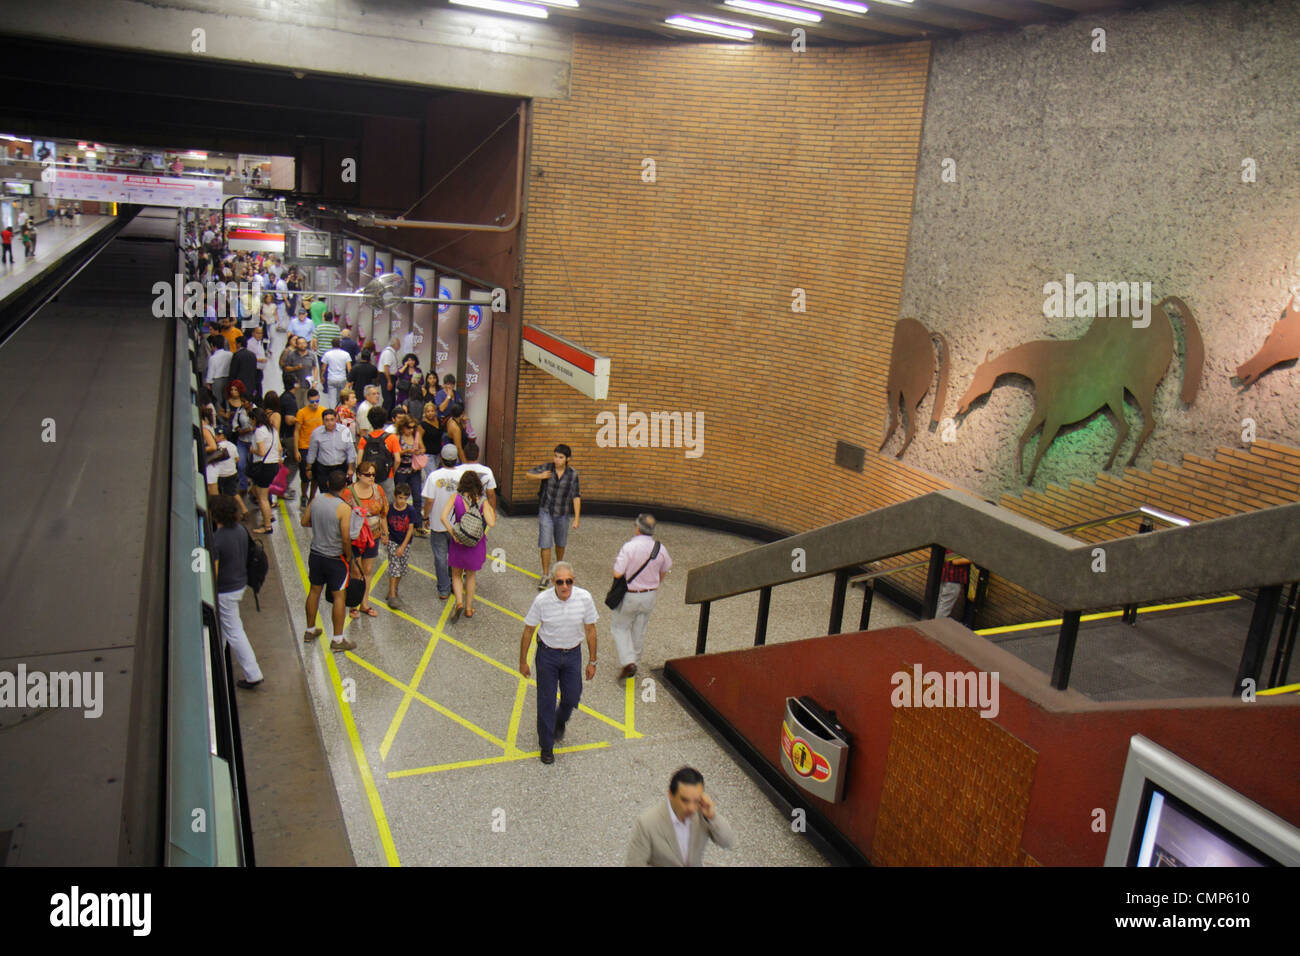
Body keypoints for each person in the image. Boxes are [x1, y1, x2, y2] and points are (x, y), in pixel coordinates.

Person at [519, 561, 598, 765]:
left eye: (569, 581)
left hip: (573, 655)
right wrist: (523, 662)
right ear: (553, 582)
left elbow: (590, 630)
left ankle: (560, 720)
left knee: (572, 696)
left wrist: (593, 661)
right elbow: (528, 630)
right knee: (546, 701)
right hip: (548, 656)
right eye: (560, 582)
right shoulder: (542, 601)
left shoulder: (584, 598)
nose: (565, 586)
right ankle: (546, 745)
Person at [625, 767, 736, 867]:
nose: (691, 808)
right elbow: (633, 864)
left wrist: (712, 817)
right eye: (685, 800)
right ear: (670, 794)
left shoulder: (702, 814)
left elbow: (728, 842)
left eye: (696, 801)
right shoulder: (647, 823)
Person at [208, 495, 265, 689]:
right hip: (239, 583)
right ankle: (215, 662)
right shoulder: (240, 530)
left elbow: (213, 573)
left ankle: (253, 673)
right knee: (226, 627)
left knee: (234, 630)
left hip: (225, 590)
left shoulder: (216, 540)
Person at [609, 514, 672, 679]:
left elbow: (617, 573)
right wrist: (654, 584)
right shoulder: (660, 549)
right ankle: (635, 661)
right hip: (649, 595)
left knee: (619, 627)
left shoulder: (629, 547)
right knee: (640, 628)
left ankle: (628, 661)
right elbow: (664, 570)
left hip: (630, 595)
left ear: (637, 528)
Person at [301, 470, 357, 653]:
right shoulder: (344, 508)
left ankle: (310, 630)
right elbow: (346, 537)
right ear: (345, 487)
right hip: (335, 558)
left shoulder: (316, 500)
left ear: (327, 484)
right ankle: (338, 639)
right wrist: (348, 557)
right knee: (339, 596)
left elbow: (304, 521)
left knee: (314, 591)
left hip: (316, 554)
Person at [525, 444, 582, 589]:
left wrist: (576, 518)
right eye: (555, 456)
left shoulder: (573, 475)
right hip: (546, 512)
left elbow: (576, 496)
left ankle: (558, 569)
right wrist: (540, 476)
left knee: (561, 543)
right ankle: (545, 575)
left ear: (568, 459)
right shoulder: (548, 468)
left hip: (562, 514)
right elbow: (528, 474)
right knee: (545, 543)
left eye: (561, 457)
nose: (557, 460)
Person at [442, 469, 495, 619]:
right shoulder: (482, 502)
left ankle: (459, 602)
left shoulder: (455, 497)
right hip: (475, 543)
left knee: (456, 575)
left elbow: (443, 517)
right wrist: (488, 506)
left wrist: (453, 534)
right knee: (471, 576)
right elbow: (491, 523)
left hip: (459, 540)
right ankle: (469, 608)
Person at [342, 463, 387, 619]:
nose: (371, 478)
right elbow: (342, 515)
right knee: (356, 571)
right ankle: (353, 604)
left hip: (372, 537)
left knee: (367, 571)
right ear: (359, 475)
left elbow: (383, 513)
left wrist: (385, 533)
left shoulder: (378, 490)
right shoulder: (348, 493)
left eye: (373, 474)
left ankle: (364, 603)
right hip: (355, 538)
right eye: (368, 475)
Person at [421, 445, 462, 601]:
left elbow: (429, 500)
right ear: (456, 459)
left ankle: (443, 589)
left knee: (440, 557)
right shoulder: (462, 475)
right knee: (455, 555)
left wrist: (426, 517)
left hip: (438, 523)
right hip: (457, 525)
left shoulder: (434, 476)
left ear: (441, 458)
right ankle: (455, 582)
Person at [305, 407, 356, 501]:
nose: (330, 423)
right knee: (325, 494)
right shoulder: (317, 433)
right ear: (323, 421)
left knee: (341, 494)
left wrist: (350, 468)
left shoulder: (344, 431)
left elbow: (350, 450)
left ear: (336, 419)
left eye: (332, 420)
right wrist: (309, 468)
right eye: (327, 420)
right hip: (324, 469)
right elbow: (312, 452)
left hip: (340, 467)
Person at [248, 405, 282, 534]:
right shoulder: (272, 430)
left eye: (251, 420)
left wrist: (253, 450)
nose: (251, 422)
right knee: (257, 491)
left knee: (262, 497)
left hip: (263, 466)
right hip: (273, 464)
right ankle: (268, 516)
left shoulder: (259, 431)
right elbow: (279, 448)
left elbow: (261, 452)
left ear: (255, 419)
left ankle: (267, 525)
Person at [357, 405, 402, 502]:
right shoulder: (391, 438)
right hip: (387, 475)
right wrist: (392, 470)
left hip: (368, 476)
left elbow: (359, 461)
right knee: (387, 503)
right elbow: (398, 459)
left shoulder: (364, 439)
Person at [384, 484, 418, 609]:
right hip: (393, 541)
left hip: (405, 543)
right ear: (395, 496)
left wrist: (403, 546)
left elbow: (410, 530)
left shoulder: (410, 511)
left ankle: (393, 589)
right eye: (400, 498)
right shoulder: (389, 509)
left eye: (404, 498)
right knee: (394, 567)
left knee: (402, 569)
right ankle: (392, 595)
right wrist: (385, 535)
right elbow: (383, 521)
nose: (402, 501)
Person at [294, 387, 326, 501]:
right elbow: (296, 431)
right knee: (305, 475)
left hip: (319, 448)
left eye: (317, 401)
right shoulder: (302, 413)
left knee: (316, 476)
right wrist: (296, 450)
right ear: (308, 401)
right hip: (305, 447)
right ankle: (304, 494)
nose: (315, 404)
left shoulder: (323, 411)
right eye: (312, 402)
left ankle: (312, 497)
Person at [394, 415, 426, 528]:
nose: (411, 430)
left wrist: (419, 451)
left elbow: (423, 448)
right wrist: (406, 451)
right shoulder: (398, 437)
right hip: (401, 470)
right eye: (408, 427)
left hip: (413, 470)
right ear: (402, 427)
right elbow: (395, 453)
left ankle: (418, 524)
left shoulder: (416, 435)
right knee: (400, 496)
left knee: (417, 497)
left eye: (413, 427)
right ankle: (398, 521)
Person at [277, 372, 299, 500]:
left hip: (284, 434)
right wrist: (301, 419)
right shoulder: (289, 400)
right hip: (289, 436)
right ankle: (282, 488)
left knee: (287, 463)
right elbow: (289, 419)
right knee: (293, 462)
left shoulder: (284, 397)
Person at [936, 550, 971, 620]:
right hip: (953, 578)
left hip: (944, 574)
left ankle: (932, 624)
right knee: (944, 607)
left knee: (940, 604)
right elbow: (955, 561)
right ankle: (935, 627)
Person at [319, 341, 351, 409]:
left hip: (331, 378)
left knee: (331, 398)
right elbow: (349, 368)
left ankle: (332, 411)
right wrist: (350, 379)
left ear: (331, 345)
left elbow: (323, 367)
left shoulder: (327, 354)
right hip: (342, 378)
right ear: (340, 344)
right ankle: (341, 411)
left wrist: (321, 376)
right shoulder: (346, 354)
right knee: (342, 397)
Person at [205, 333, 232, 410]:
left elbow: (210, 372)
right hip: (228, 379)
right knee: (227, 399)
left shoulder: (213, 358)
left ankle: (220, 417)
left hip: (217, 381)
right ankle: (228, 414)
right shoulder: (230, 354)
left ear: (213, 346)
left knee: (218, 401)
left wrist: (208, 383)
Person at [228, 334, 258, 399]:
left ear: (239, 344)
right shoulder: (252, 355)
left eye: (236, 343)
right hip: (251, 386)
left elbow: (233, 372)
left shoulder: (237, 355)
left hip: (239, 386)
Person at [378, 336, 401, 411]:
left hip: (391, 377)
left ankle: (390, 416)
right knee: (388, 399)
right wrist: (389, 381)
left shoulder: (392, 353)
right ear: (395, 344)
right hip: (387, 377)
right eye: (399, 344)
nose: (399, 346)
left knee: (392, 398)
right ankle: (384, 415)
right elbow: (386, 367)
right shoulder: (388, 353)